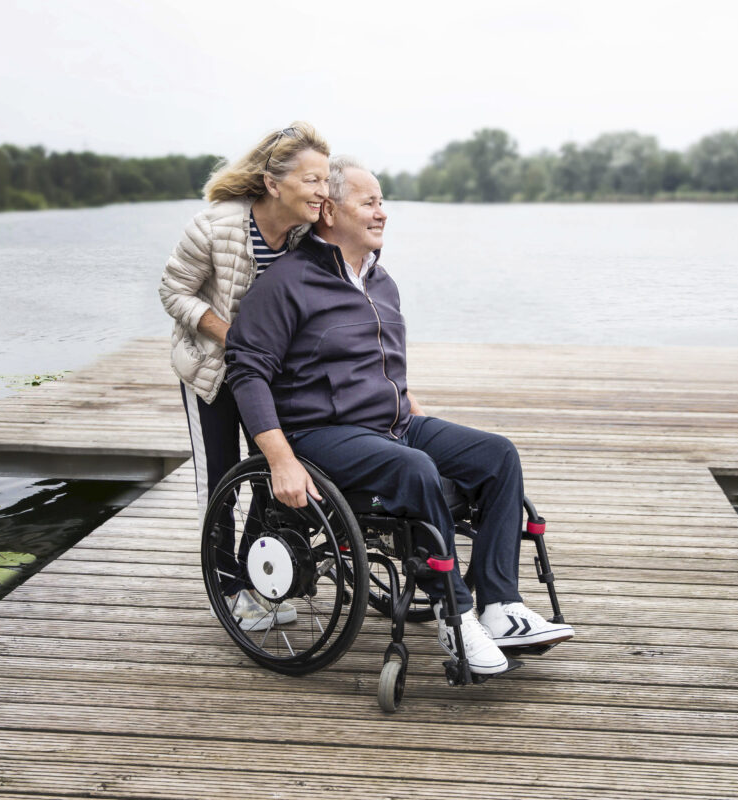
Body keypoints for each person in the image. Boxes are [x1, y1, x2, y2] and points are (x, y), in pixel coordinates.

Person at [223, 156, 574, 675]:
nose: (381, 213)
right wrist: (278, 457)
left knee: (496, 455)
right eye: (369, 202)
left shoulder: (381, 281)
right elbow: (246, 371)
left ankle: (499, 605)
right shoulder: (287, 284)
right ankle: (455, 617)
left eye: (382, 202)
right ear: (329, 212)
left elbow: (376, 363)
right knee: (416, 470)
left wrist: (407, 403)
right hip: (321, 434)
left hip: (393, 423)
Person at [159, 122, 330, 630]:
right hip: (211, 372)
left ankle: (260, 581)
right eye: (313, 180)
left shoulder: (307, 234)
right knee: (221, 484)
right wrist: (232, 337)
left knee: (271, 478)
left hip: (272, 380)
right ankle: (228, 585)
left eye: (327, 180)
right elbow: (174, 293)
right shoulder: (213, 226)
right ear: (275, 184)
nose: (324, 191)